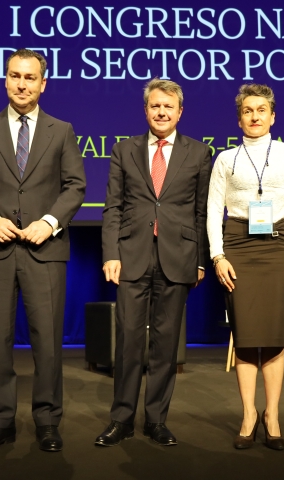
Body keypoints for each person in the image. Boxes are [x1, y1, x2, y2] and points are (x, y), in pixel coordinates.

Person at [0, 49, 86, 453]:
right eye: (15, 76)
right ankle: (0, 423)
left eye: (30, 78)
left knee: (47, 341)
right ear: (6, 80)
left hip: (45, 252)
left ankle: (47, 422)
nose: (22, 84)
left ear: (43, 84)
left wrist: (48, 223)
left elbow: (75, 186)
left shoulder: (60, 130)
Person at [96, 78, 211, 447]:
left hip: (177, 259)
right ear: (145, 110)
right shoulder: (123, 150)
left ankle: (156, 420)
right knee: (129, 342)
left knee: (165, 345)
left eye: (168, 106)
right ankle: (122, 419)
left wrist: (200, 261)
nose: (161, 112)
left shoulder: (199, 153)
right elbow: (113, 207)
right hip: (131, 257)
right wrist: (111, 253)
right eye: (155, 106)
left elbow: (202, 212)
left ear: (180, 112)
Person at [207, 83, 284, 450]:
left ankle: (273, 414)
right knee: (247, 334)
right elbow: (212, 211)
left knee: (274, 335)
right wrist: (217, 256)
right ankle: (249, 413)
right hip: (237, 245)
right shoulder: (225, 159)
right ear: (239, 118)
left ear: (272, 116)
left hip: (279, 245)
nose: (255, 116)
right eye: (248, 111)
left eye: (261, 110)